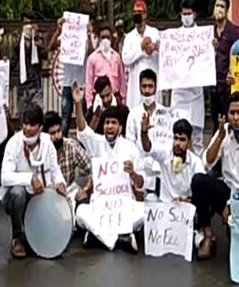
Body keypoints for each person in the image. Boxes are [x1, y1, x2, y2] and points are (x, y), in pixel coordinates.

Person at [191, 92, 239, 260]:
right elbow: (207, 162)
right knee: (198, 180)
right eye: (232, 113)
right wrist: (219, 137)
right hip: (227, 190)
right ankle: (207, 234)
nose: (236, 118)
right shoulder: (224, 132)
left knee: (236, 242)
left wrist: (232, 206)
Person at [73, 82, 145, 252]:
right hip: (101, 206)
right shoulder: (97, 143)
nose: (109, 127)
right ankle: (120, 238)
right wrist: (77, 103)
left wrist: (133, 173)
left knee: (143, 211)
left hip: (124, 205)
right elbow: (83, 130)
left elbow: (141, 184)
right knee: (81, 212)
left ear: (120, 127)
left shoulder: (130, 148)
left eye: (113, 123)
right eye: (106, 123)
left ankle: (96, 235)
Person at [0, 105, 66, 259]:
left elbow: (55, 169)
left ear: (40, 127)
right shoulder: (13, 144)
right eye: (25, 124)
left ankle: (37, 236)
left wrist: (60, 183)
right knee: (18, 192)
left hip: (41, 194)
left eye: (32, 125)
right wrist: (29, 179)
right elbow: (5, 177)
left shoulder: (47, 143)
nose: (27, 128)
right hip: (17, 198)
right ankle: (17, 239)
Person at [170, 0, 207, 155]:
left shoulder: (203, 36)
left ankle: (197, 171)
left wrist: (211, 48)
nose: (186, 17)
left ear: (195, 14)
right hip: (179, 94)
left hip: (196, 95)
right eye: (184, 14)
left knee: (196, 138)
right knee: (178, 134)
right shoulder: (174, 37)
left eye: (189, 13)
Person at [125, 69, 171, 199]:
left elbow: (168, 145)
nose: (147, 90)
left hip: (162, 173)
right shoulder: (133, 115)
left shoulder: (165, 114)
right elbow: (130, 147)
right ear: (139, 88)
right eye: (144, 86)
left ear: (156, 88)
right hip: (141, 172)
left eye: (150, 86)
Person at [48, 14, 96, 136]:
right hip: (67, 84)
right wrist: (58, 30)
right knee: (65, 119)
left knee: (83, 118)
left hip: (82, 85)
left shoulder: (86, 39)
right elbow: (51, 47)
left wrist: (89, 34)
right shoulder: (65, 38)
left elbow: (92, 54)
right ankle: (63, 144)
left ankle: (84, 145)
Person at [139, 114, 204, 203]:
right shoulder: (165, 153)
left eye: (182, 140)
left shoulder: (195, 162)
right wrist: (144, 132)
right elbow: (148, 147)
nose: (177, 143)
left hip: (186, 207)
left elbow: (201, 188)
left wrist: (185, 200)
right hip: (165, 205)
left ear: (189, 143)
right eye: (175, 138)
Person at [42, 111, 92, 222]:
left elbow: (93, 168)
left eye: (58, 131)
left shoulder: (71, 145)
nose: (57, 136)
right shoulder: (40, 149)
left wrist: (86, 189)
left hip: (68, 191)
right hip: (45, 195)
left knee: (82, 198)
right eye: (52, 133)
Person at [211, 0, 239, 134]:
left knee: (229, 124)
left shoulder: (234, 32)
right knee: (215, 125)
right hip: (212, 87)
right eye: (217, 6)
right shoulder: (208, 33)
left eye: (222, 7)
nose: (219, 9)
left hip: (228, 87)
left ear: (227, 10)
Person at [122, 0, 160, 110]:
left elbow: (163, 56)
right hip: (136, 82)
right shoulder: (129, 37)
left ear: (145, 14)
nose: (138, 16)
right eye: (135, 13)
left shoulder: (154, 33)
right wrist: (140, 48)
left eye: (140, 13)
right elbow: (125, 59)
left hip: (153, 76)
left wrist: (156, 48)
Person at [10, 12, 48, 117]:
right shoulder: (18, 39)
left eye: (29, 23)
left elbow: (45, 55)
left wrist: (36, 41)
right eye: (25, 23)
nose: (27, 26)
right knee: (23, 114)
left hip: (36, 83)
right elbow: (13, 60)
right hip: (23, 84)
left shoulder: (39, 37)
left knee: (37, 112)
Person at [85, 22, 126, 108]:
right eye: (103, 37)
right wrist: (89, 104)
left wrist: (123, 100)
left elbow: (121, 80)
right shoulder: (92, 58)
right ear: (99, 38)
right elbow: (89, 83)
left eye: (108, 37)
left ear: (111, 39)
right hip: (99, 98)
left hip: (115, 97)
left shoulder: (116, 57)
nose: (105, 40)